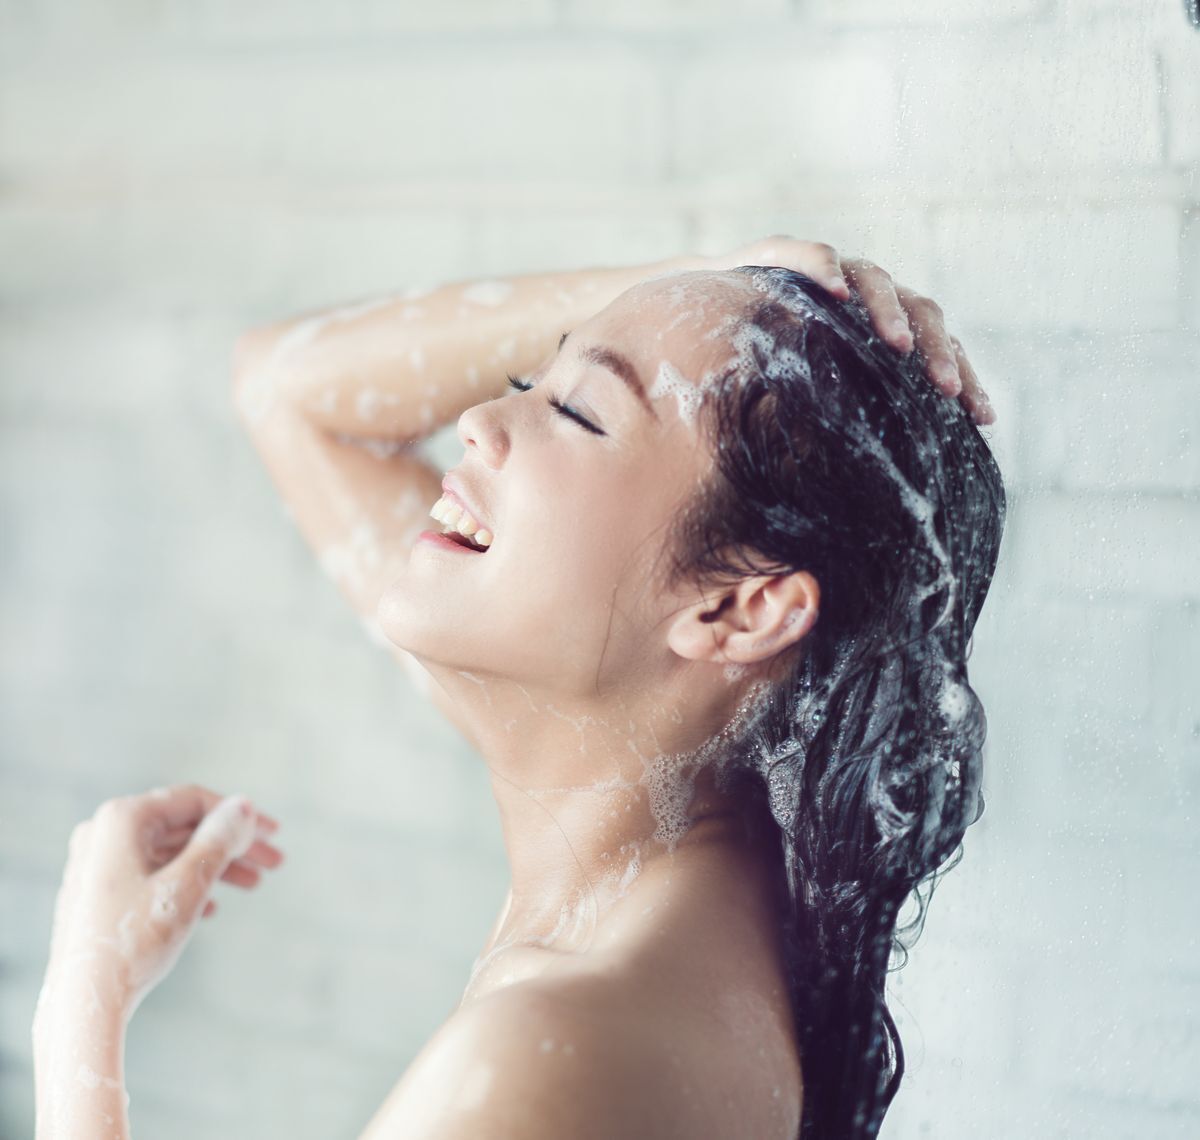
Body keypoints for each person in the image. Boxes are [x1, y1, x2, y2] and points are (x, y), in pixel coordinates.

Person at [32, 236, 1004, 1140]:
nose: (477, 421)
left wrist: (83, 1000)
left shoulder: (541, 1055)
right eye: (528, 380)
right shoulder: (694, 845)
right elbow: (282, 389)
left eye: (578, 413)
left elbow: (285, 391)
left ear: (740, 612)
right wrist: (703, 281)